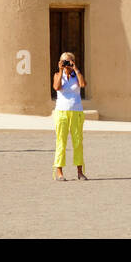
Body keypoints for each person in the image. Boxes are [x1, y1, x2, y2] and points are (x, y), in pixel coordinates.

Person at [52, 51, 87, 181]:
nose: (67, 64)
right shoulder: (57, 75)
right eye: (64, 61)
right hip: (61, 112)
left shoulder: (76, 76)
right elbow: (56, 87)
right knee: (61, 141)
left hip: (76, 112)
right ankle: (59, 172)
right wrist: (61, 71)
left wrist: (76, 69)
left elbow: (83, 85)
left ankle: (80, 171)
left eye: (69, 61)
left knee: (78, 142)